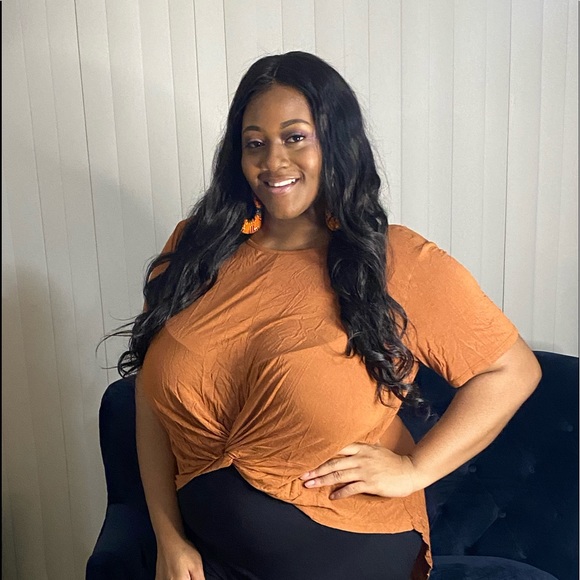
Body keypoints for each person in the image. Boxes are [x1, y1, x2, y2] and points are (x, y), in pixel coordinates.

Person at [115, 51, 541, 579]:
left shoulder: (394, 261)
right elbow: (151, 399)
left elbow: (512, 370)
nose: (273, 162)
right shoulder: (195, 251)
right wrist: (169, 539)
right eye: (255, 143)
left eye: (295, 137)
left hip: (344, 549)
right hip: (205, 553)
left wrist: (414, 469)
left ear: (336, 141)